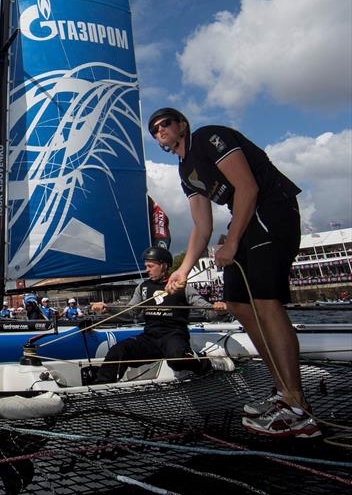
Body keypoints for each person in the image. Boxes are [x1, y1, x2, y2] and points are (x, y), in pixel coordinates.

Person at [148, 107, 317, 438]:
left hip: (272, 210)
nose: (159, 130)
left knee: (266, 301)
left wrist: (234, 240)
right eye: (153, 130)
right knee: (238, 303)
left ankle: (298, 405)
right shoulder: (185, 171)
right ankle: (283, 393)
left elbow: (248, 188)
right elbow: (201, 225)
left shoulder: (212, 137)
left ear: (182, 124)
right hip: (246, 221)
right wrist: (183, 269)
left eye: (165, 123)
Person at [90, 247, 228, 384]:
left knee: (177, 360)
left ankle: (206, 364)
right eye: (145, 266)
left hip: (174, 335)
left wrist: (220, 310)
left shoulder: (182, 287)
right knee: (119, 350)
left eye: (150, 266)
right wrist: (107, 309)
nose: (147, 270)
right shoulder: (143, 287)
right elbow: (131, 312)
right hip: (150, 337)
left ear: (164, 265)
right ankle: (102, 385)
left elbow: (208, 313)